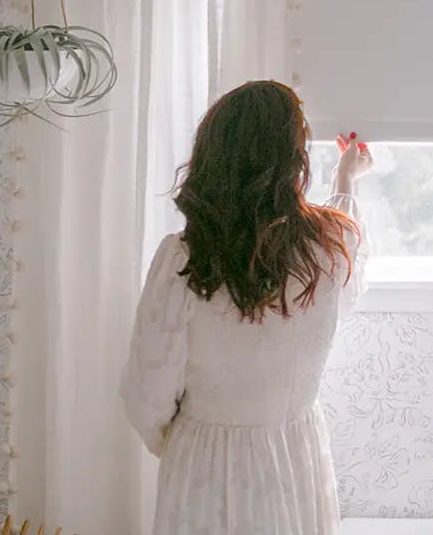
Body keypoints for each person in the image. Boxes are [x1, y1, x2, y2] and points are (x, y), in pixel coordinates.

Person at [120, 80, 372, 535]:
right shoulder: (332, 247)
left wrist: (189, 442)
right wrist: (345, 180)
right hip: (295, 454)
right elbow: (346, 288)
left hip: (205, 457)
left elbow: (147, 393)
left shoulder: (184, 258)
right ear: (293, 161)